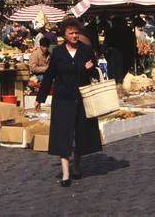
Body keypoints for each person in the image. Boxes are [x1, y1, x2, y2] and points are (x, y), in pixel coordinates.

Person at [35, 18, 102, 187]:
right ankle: (66, 173)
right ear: (64, 35)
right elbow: (50, 75)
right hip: (63, 99)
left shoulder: (86, 50)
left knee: (79, 134)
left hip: (81, 98)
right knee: (63, 135)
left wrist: (90, 69)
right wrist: (40, 98)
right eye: (71, 33)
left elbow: (94, 73)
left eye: (76, 32)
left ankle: (77, 165)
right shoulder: (57, 52)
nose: (74, 35)